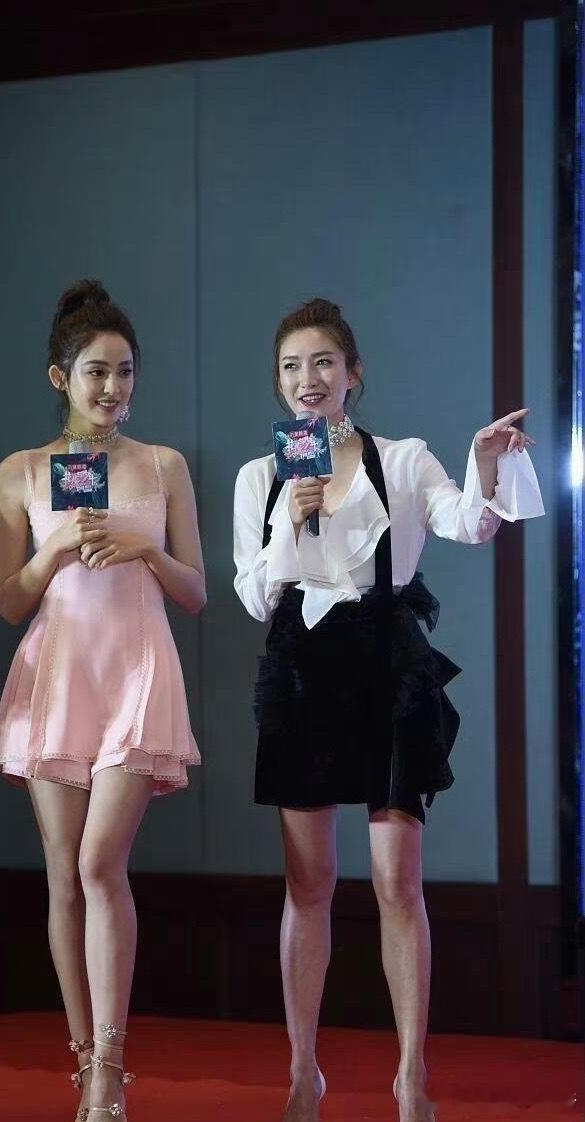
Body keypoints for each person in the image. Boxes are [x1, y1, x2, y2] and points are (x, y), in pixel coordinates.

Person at [232, 299, 544, 1122]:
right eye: (291, 366)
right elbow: (252, 596)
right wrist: (288, 523)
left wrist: (484, 461)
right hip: (301, 669)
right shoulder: (261, 477)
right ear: (278, 381)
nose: (307, 379)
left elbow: (469, 523)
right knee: (308, 882)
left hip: (386, 666)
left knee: (397, 880)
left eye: (323, 362)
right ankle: (303, 1071)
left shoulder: (402, 460)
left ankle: (410, 1077)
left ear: (353, 373)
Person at [0, 280, 204, 1121]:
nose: (111, 388)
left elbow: (196, 592)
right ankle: (84, 1063)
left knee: (98, 862)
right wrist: (52, 555)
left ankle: (112, 1068)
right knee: (64, 876)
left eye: (123, 372)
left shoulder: (163, 465)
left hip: (137, 672)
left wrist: (142, 548)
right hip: (57, 675)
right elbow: (10, 603)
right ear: (60, 377)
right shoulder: (20, 471)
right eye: (95, 372)